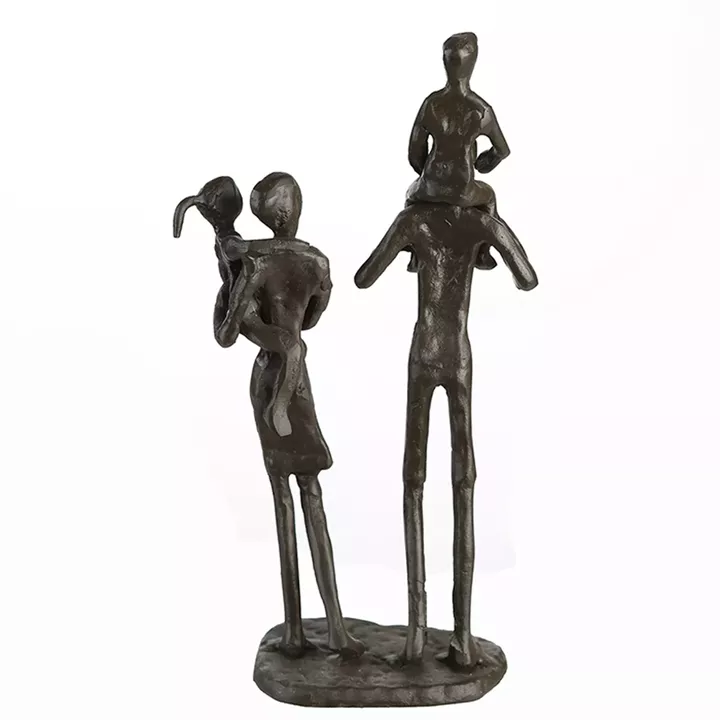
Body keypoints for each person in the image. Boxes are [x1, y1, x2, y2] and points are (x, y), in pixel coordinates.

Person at [175, 173, 364, 658]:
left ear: (265, 214)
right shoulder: (317, 262)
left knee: (283, 499)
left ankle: (298, 629)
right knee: (311, 495)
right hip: (297, 380)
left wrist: (239, 298)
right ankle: (334, 626)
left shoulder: (256, 260)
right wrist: (284, 328)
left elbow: (226, 334)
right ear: (291, 213)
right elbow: (313, 318)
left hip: (269, 376)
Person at [355, 200, 537, 668]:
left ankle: (419, 633)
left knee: (414, 480)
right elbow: (526, 277)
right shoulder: (477, 220)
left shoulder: (414, 219)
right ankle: (461, 636)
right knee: (462, 482)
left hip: (425, 352)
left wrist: (409, 240)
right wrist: (491, 228)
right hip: (457, 354)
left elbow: (365, 276)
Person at [405, 31, 525, 271]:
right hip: (463, 189)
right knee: (489, 197)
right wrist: (484, 163)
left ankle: (415, 253)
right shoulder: (481, 110)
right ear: (473, 64)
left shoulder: (431, 104)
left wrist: (428, 174)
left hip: (430, 185)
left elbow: (414, 152)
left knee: (410, 195)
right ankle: (483, 253)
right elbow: (502, 150)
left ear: (445, 63)